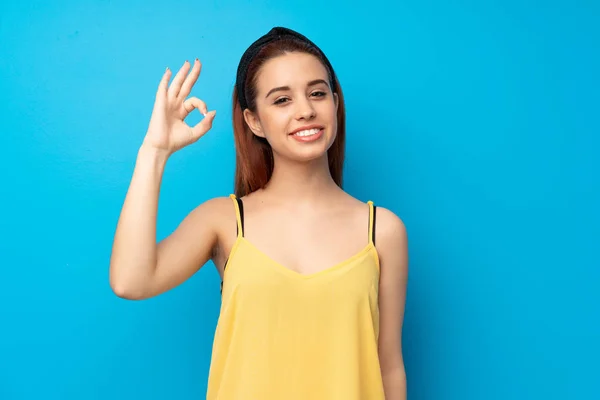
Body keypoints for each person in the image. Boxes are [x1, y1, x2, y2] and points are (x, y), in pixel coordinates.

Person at [109, 26, 408, 399]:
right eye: (281, 100)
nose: (305, 110)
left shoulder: (382, 231)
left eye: (317, 93)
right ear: (254, 121)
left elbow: (389, 365)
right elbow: (130, 281)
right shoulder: (223, 221)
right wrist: (154, 151)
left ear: (335, 102)